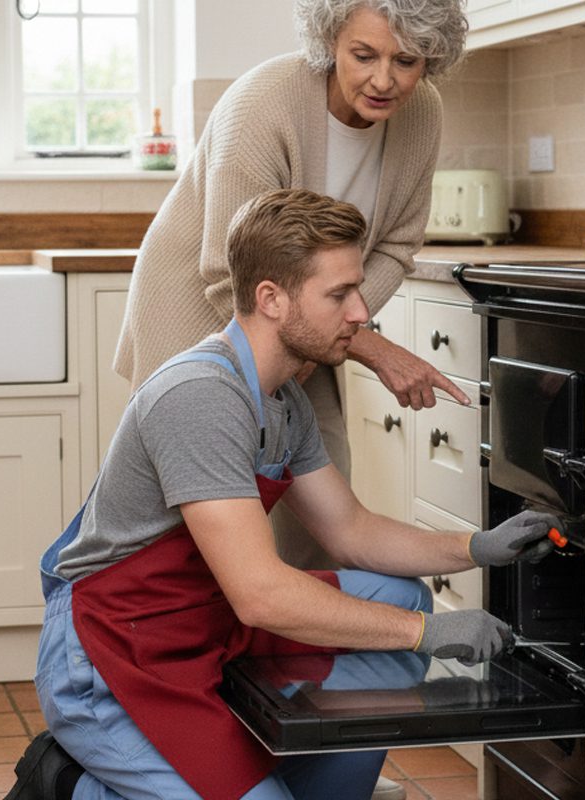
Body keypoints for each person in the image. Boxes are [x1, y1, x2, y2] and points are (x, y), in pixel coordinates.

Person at [13, 190, 560, 800]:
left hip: (203, 616)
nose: (361, 313)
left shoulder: (284, 402)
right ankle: (76, 788)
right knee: (401, 619)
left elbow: (351, 531)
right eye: (339, 294)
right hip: (113, 650)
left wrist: (477, 546)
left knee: (396, 593)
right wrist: (424, 635)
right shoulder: (200, 396)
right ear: (270, 298)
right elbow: (260, 594)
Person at [114, 0, 472, 578]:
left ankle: (301, 661)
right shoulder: (263, 102)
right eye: (364, 55)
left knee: (320, 517)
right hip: (203, 311)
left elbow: (396, 247)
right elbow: (233, 273)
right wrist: (374, 347)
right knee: (195, 528)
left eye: (406, 61)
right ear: (331, 41)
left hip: (312, 324)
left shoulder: (422, 113)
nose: (384, 80)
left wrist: (336, 329)